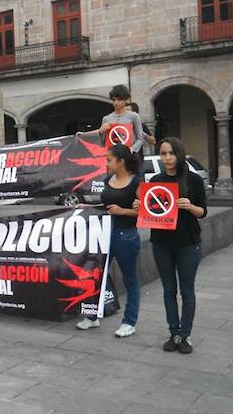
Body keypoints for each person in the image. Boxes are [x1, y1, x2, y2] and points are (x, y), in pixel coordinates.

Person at [135, 137, 207, 354]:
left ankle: (185, 335)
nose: (167, 158)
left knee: (187, 290)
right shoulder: (156, 178)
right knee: (168, 289)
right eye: (163, 153)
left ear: (179, 154)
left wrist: (191, 206)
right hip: (161, 243)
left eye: (171, 153)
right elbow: (152, 210)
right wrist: (140, 205)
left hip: (187, 243)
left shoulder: (193, 180)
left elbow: (203, 211)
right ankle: (173, 332)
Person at [76, 144, 141, 337]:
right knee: (96, 275)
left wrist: (124, 211)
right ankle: (91, 316)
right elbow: (107, 205)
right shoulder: (108, 180)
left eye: (109, 160)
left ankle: (129, 321)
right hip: (104, 233)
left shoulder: (136, 182)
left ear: (121, 161)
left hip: (126, 235)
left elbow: (145, 212)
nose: (106, 163)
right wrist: (86, 205)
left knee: (130, 279)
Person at [78, 85, 144, 157]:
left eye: (119, 100)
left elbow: (140, 138)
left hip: (128, 157)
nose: (116, 103)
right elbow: (102, 142)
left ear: (125, 100)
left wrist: (133, 149)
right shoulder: (106, 119)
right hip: (112, 157)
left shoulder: (134, 116)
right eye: (114, 100)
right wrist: (85, 135)